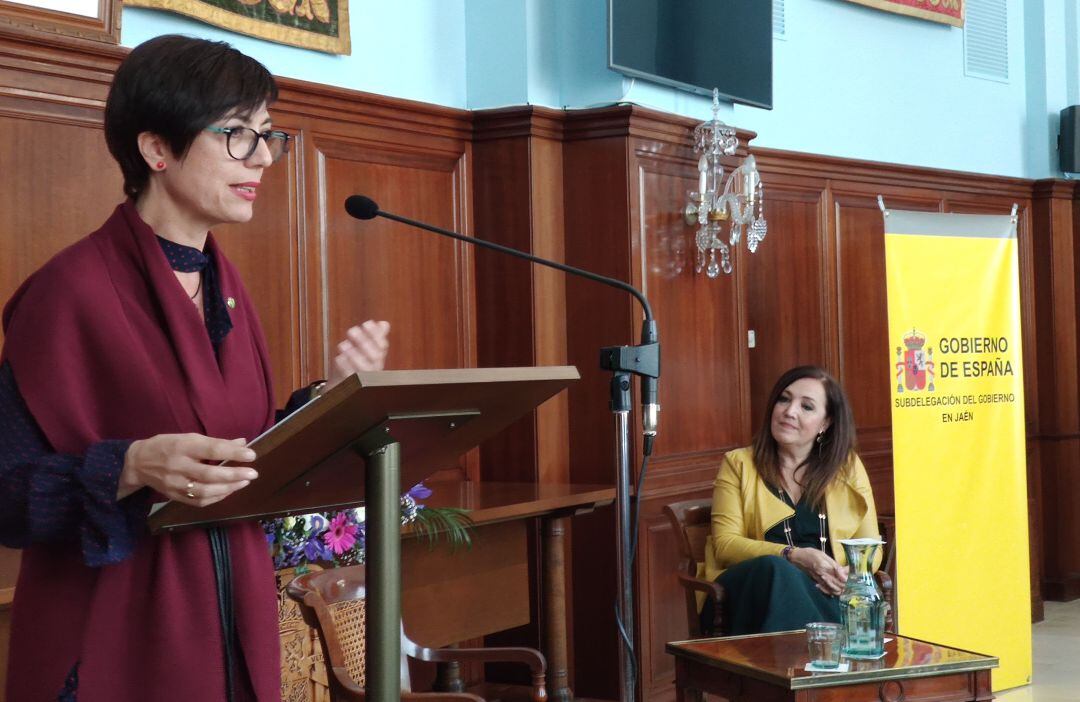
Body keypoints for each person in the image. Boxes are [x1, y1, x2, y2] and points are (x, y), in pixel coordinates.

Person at [0, 35, 390, 701]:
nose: (263, 157)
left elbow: (240, 447)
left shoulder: (225, 285)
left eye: (269, 135)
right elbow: (6, 497)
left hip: (232, 624)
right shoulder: (67, 292)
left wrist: (330, 400)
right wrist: (128, 467)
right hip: (108, 643)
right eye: (237, 134)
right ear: (157, 149)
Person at [701, 365, 882, 636]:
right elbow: (726, 545)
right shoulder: (738, 464)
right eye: (784, 399)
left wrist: (847, 576)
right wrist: (793, 555)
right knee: (777, 570)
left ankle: (802, 666)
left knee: (835, 599)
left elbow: (871, 547)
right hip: (747, 594)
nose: (789, 411)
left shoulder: (847, 468)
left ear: (826, 423)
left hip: (826, 593)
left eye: (807, 406)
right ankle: (826, 657)